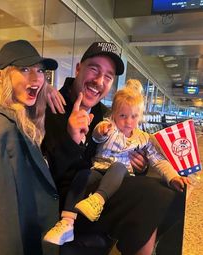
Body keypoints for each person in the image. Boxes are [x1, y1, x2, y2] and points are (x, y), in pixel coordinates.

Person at [41, 42, 187, 255]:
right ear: (78, 68)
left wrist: (139, 165)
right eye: (94, 69)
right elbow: (50, 171)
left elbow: (120, 148)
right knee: (154, 195)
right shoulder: (54, 104)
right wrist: (72, 138)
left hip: (103, 186)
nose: (99, 81)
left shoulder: (104, 112)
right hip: (70, 195)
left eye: (108, 76)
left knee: (173, 194)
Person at [0, 39, 63, 255]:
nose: (36, 78)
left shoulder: (17, 116)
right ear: (1, 76)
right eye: (24, 69)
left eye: (40, 71)